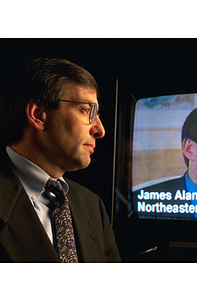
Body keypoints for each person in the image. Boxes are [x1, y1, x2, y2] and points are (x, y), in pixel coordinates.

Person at [0, 57, 121, 262]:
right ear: (38, 114)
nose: (100, 130)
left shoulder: (92, 205)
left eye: (97, 114)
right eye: (86, 111)